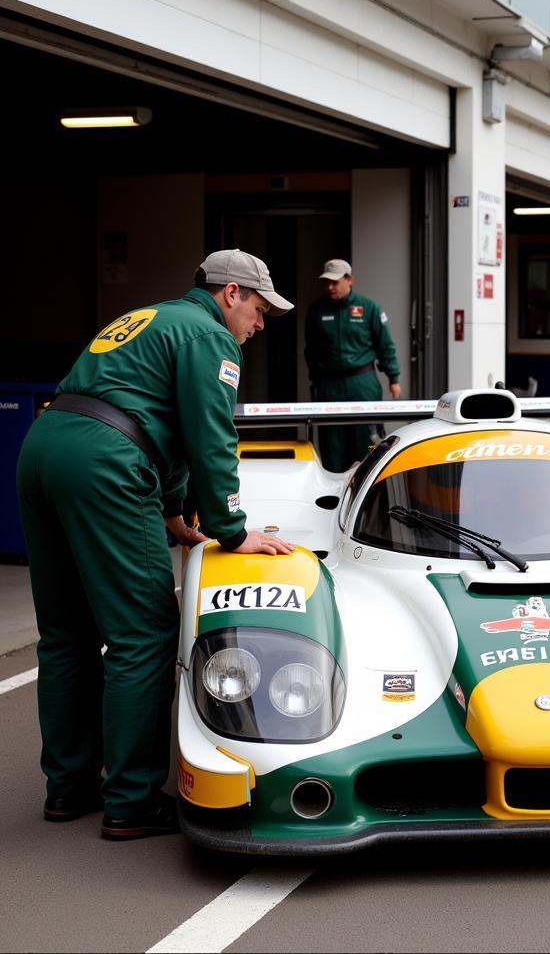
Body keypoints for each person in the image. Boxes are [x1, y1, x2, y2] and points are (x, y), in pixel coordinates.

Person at [16, 249, 296, 840]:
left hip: (43, 449)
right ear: (230, 294)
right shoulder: (208, 337)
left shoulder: (149, 318)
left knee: (66, 635)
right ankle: (132, 800)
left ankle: (67, 788)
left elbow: (144, 414)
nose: (262, 322)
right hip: (105, 464)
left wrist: (170, 510)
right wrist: (233, 528)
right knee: (141, 633)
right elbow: (208, 435)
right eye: (260, 307)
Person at [304, 259, 401, 471]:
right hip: (330, 384)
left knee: (366, 439)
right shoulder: (317, 310)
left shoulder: (369, 308)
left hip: (362, 382)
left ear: (350, 281)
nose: (330, 287)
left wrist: (394, 378)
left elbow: (385, 345)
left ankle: (366, 488)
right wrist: (316, 380)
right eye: (326, 282)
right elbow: (310, 350)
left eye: (335, 282)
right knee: (332, 442)